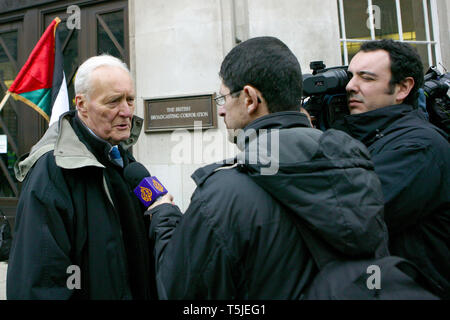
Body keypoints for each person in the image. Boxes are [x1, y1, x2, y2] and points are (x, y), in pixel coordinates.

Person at [147, 36, 389, 299]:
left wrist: (165, 218)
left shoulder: (223, 194)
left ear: (250, 99)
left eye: (223, 97)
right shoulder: (356, 166)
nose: (221, 111)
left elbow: (178, 292)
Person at [7, 54, 154, 299]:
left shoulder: (124, 161)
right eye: (113, 101)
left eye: (130, 99)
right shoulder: (52, 171)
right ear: (81, 105)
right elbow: (39, 282)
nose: (127, 111)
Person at [342, 39, 450, 298]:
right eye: (350, 76)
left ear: (402, 88)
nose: (349, 86)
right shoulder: (372, 135)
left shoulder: (419, 147)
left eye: (366, 78)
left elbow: (353, 219)